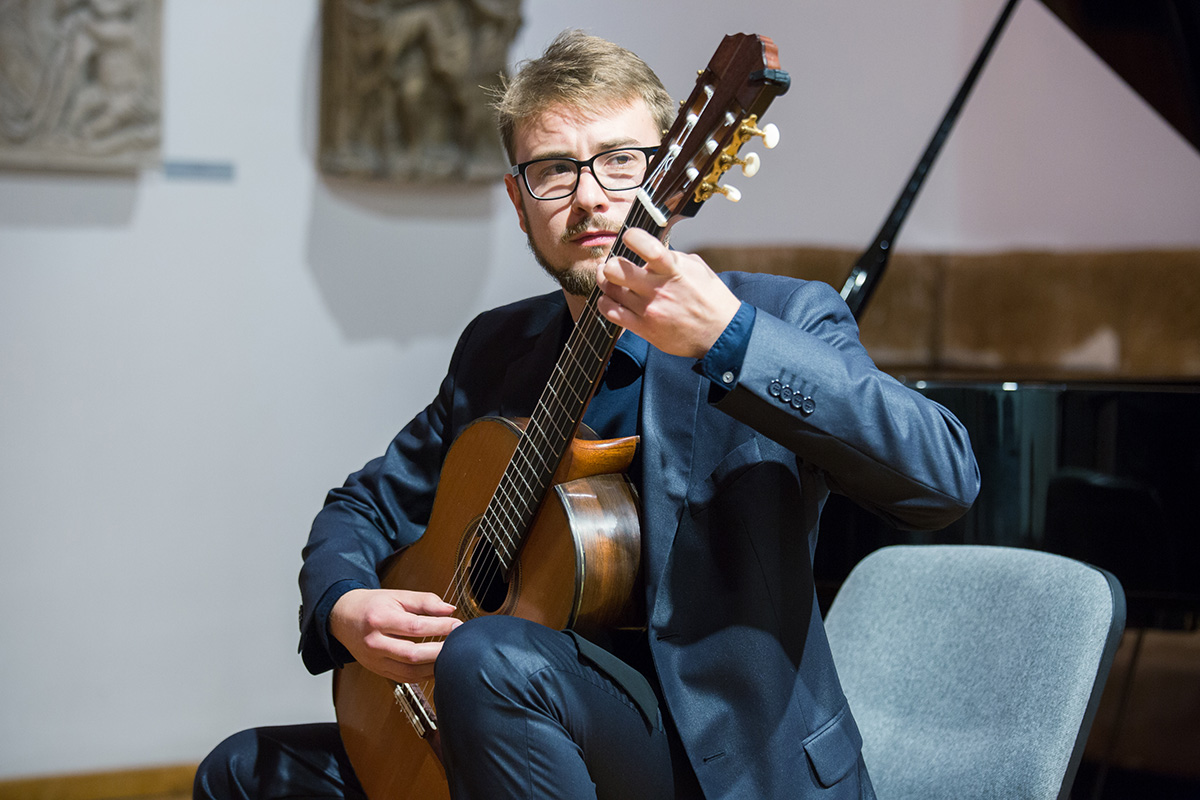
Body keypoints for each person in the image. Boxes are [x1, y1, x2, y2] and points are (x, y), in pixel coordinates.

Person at [195, 29, 979, 800]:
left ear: (669, 170)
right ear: (518, 200)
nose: (591, 196)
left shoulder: (780, 317)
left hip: (723, 767)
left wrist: (732, 339)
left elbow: (945, 477)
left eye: (621, 160)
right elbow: (363, 507)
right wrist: (344, 605)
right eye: (553, 171)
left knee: (486, 659)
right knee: (243, 773)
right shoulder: (497, 349)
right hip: (510, 739)